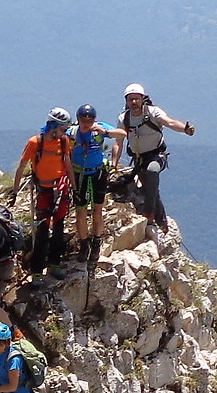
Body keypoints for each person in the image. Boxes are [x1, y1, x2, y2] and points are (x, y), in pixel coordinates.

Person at [118, 83, 196, 232]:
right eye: (130, 99)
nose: (133, 102)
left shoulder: (153, 112)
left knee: (152, 172)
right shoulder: (124, 119)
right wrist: (114, 163)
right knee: (151, 189)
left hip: (156, 155)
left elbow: (170, 122)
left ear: (142, 99)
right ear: (126, 101)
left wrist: (184, 129)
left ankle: (148, 214)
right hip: (139, 158)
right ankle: (162, 222)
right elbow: (118, 142)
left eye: (136, 99)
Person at [11, 108, 74, 272]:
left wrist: (75, 188)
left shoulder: (64, 141)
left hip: (60, 190)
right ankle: (37, 270)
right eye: (62, 129)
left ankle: (54, 264)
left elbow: (68, 165)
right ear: (53, 126)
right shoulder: (35, 143)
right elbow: (21, 167)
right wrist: (15, 191)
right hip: (44, 191)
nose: (64, 132)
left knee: (59, 228)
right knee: (43, 231)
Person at [66, 104, 119, 260]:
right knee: (80, 210)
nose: (87, 123)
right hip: (79, 174)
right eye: (83, 120)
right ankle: (83, 244)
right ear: (78, 120)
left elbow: (122, 134)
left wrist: (106, 132)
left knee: (98, 209)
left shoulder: (100, 129)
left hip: (98, 173)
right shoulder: (72, 133)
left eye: (90, 120)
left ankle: (96, 242)